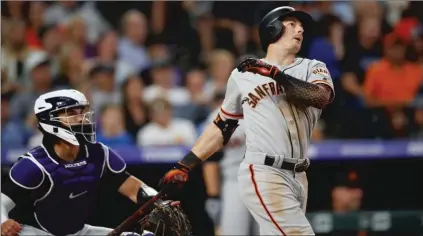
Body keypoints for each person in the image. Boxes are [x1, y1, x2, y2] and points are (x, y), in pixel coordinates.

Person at [159, 6, 334, 236]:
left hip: (299, 174)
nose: (300, 29)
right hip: (263, 170)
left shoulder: (313, 67)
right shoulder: (243, 75)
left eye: (301, 26)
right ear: (273, 28)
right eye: (292, 23)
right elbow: (222, 126)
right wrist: (185, 164)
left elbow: (320, 97)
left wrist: (274, 74)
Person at [0, 89, 177, 236]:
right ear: (49, 119)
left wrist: (160, 203)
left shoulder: (99, 153)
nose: (80, 118)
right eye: (70, 113)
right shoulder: (34, 164)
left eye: (81, 113)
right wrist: (3, 222)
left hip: (79, 232)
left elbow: (133, 188)